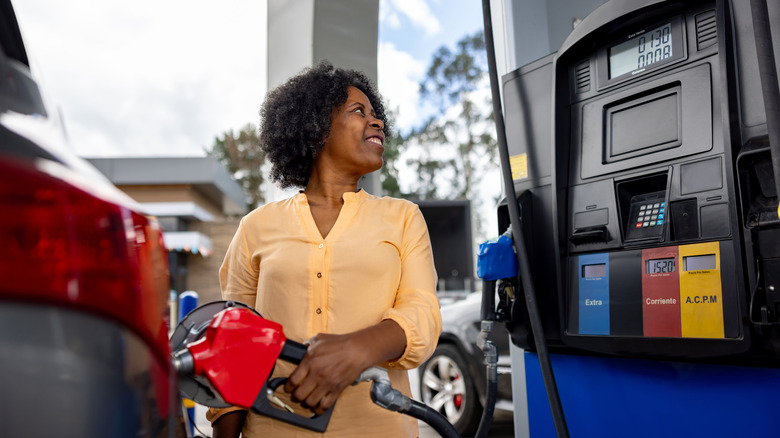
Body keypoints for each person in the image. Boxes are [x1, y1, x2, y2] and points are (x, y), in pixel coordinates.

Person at [207, 61, 442, 438]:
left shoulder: (402, 218)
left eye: (377, 114)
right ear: (316, 126)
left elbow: (423, 315)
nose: (377, 121)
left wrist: (359, 348)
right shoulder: (255, 228)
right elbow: (235, 346)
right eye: (358, 111)